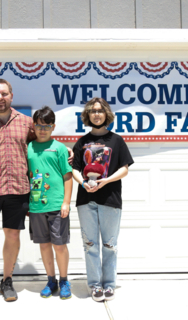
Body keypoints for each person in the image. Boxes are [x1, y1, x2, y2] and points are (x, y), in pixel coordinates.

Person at [0, 79, 72, 302]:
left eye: (4, 94)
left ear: (11, 95)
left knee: (12, 235)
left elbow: (43, 139)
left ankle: (7, 280)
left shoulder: (26, 122)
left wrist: (64, 148)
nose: (0, 98)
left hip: (17, 191)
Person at [71, 97, 134, 302]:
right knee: (90, 245)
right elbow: (75, 169)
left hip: (110, 198)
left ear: (106, 114)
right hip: (85, 200)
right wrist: (83, 183)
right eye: (92, 111)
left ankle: (109, 284)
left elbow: (124, 168)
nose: (96, 114)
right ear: (87, 115)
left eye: (100, 111)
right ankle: (95, 285)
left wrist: (106, 181)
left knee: (109, 244)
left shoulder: (116, 140)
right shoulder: (82, 141)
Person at [27, 106, 73, 299]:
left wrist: (66, 202)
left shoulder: (60, 148)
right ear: (33, 126)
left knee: (59, 245)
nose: (42, 129)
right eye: (38, 125)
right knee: (44, 245)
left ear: (53, 127)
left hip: (56, 206)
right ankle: (51, 280)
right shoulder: (27, 147)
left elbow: (68, 176)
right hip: (36, 205)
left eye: (46, 126)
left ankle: (64, 280)